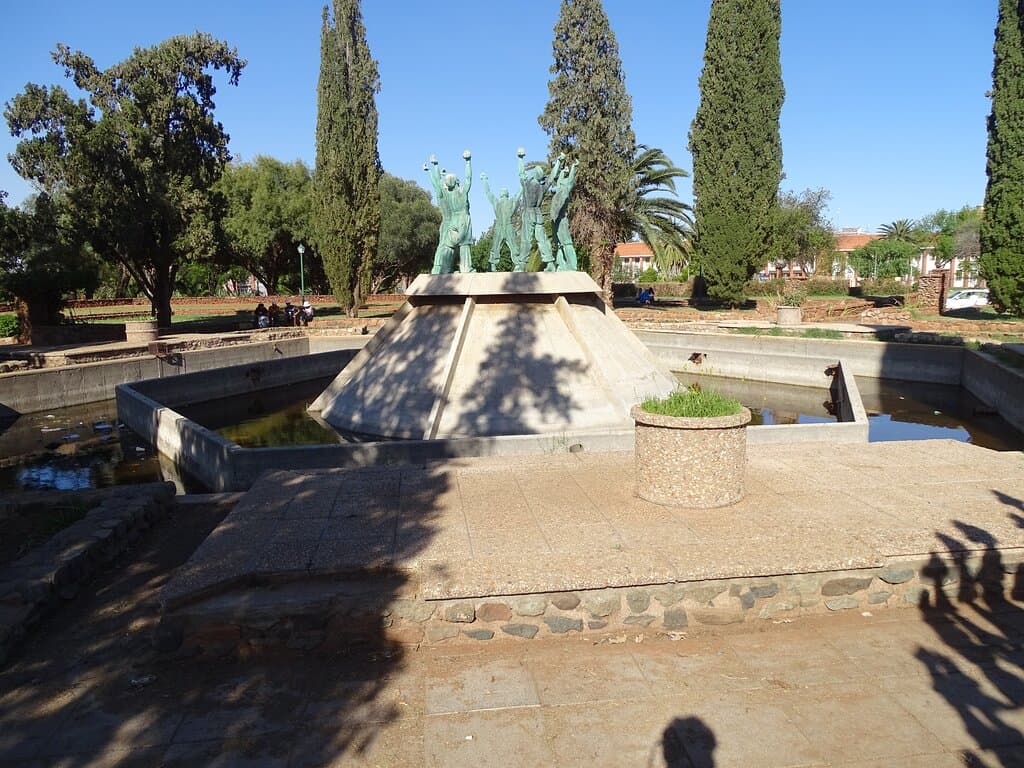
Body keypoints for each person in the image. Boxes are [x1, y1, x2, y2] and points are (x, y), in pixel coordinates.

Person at [426, 151, 474, 274]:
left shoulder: (446, 194)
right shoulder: (462, 192)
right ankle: (466, 268)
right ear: (457, 182)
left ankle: (445, 268)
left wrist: (435, 166)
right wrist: (468, 162)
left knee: (448, 246)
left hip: (453, 221)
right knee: (464, 245)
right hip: (463, 219)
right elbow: (468, 179)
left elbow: (437, 182)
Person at [517, 148, 563, 272]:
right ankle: (550, 263)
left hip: (529, 214)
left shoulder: (527, 184)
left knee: (526, 240)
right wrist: (558, 163)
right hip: (538, 215)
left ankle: (522, 264)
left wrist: (520, 159)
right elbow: (552, 177)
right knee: (542, 240)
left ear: (533, 174)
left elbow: (521, 173)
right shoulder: (542, 187)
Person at [481, 173, 520, 271]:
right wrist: (524, 181)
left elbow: (488, 193)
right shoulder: (512, 201)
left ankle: (492, 264)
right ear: (507, 194)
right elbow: (519, 192)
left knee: (496, 246)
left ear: (501, 194)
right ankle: (518, 264)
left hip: (500, 227)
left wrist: (484, 181)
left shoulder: (496, 202)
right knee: (513, 246)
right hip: (508, 226)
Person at [550, 160, 579, 271]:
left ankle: (572, 265)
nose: (560, 183)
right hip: (555, 219)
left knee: (566, 242)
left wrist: (573, 167)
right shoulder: (559, 190)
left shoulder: (566, 190)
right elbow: (559, 181)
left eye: (563, 182)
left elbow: (570, 180)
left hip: (562, 220)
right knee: (558, 243)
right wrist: (563, 171)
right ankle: (561, 264)